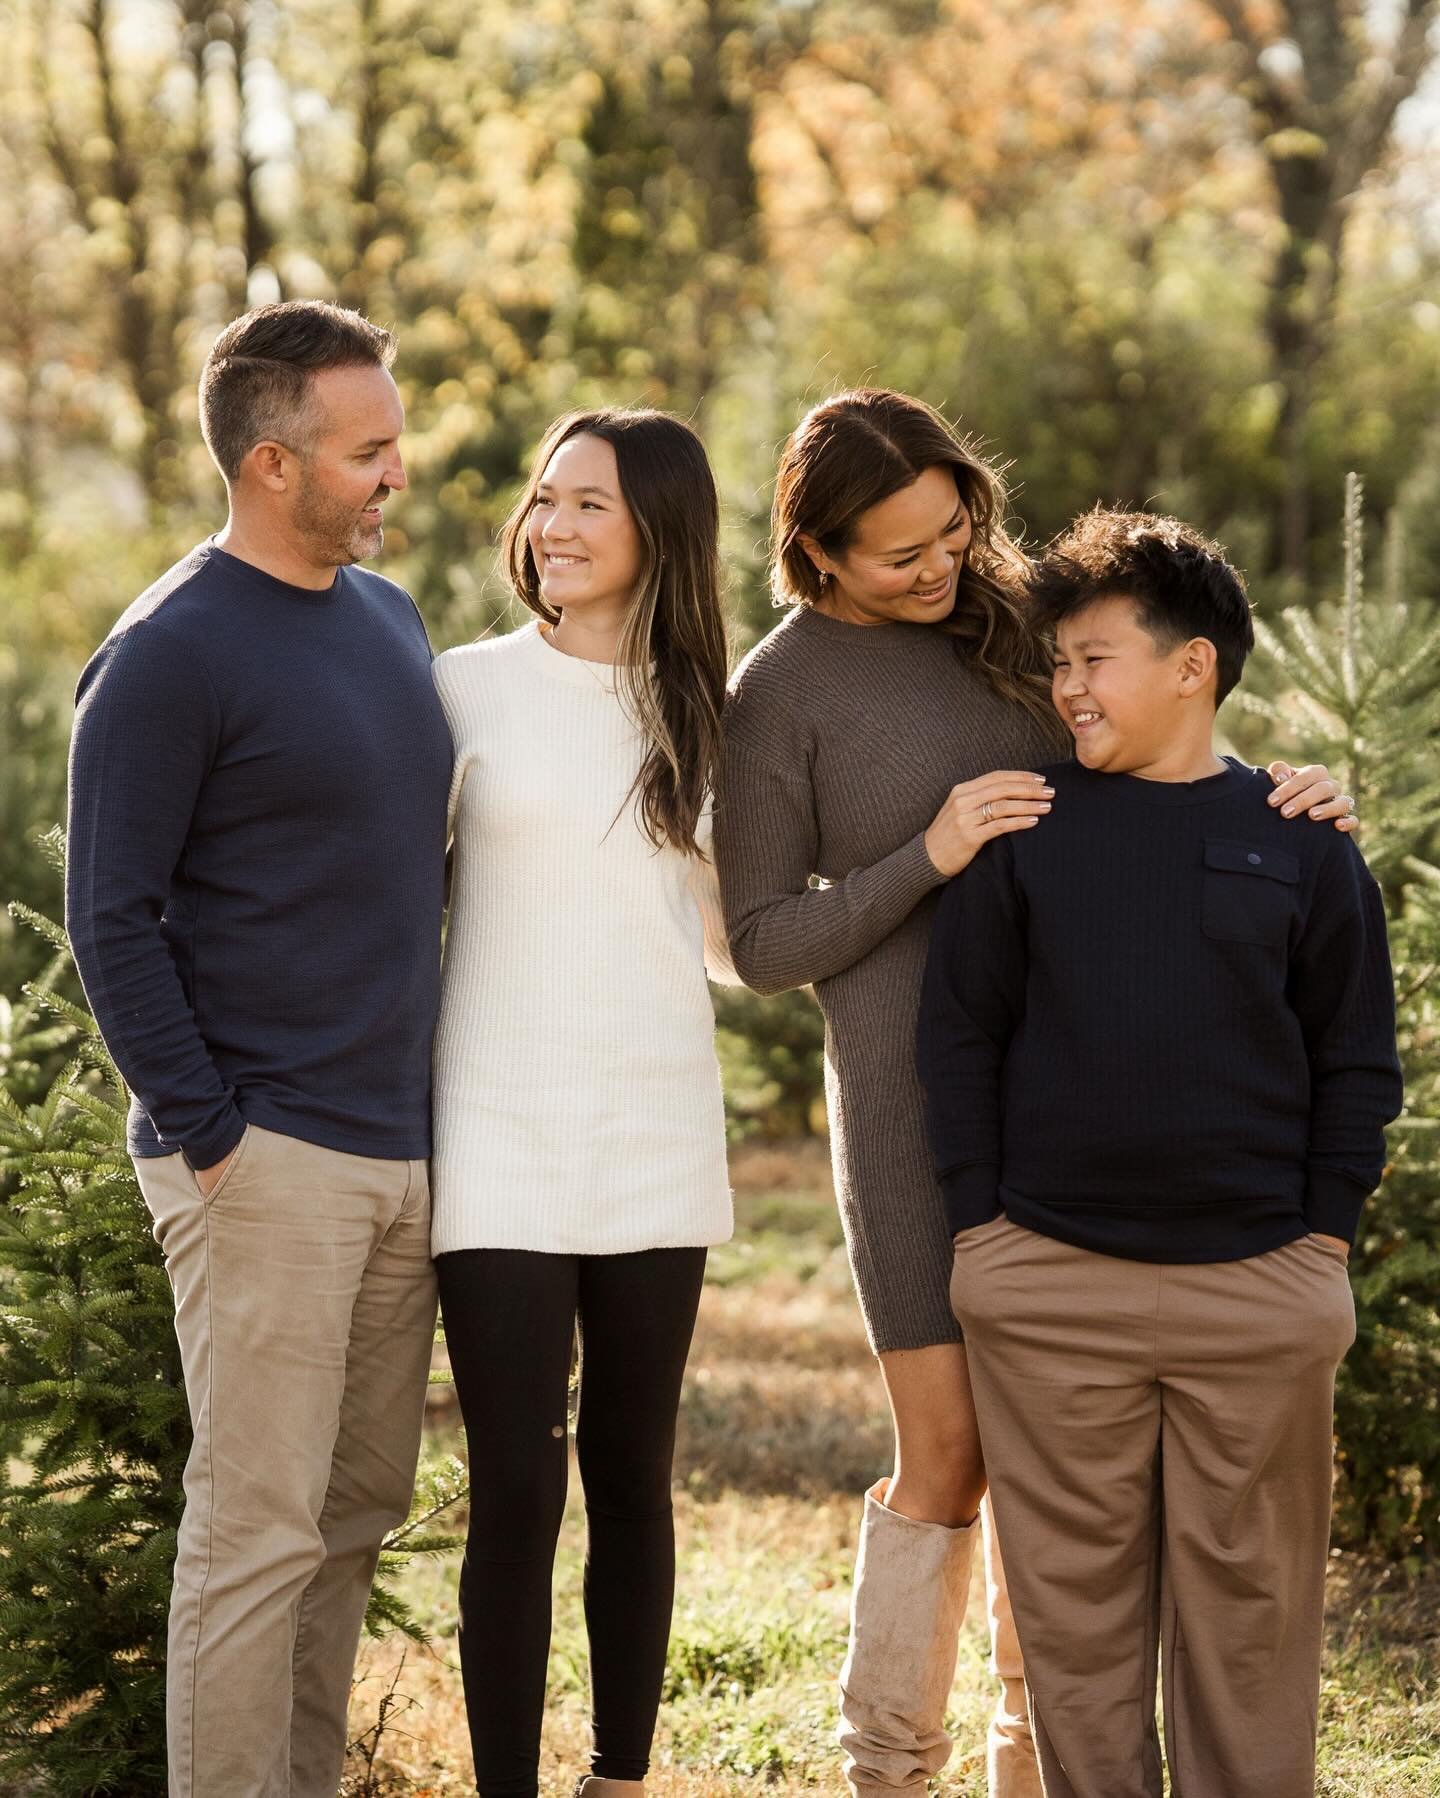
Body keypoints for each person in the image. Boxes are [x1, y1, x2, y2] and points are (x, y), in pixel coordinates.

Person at [713, 389, 1360, 1798]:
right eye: (902, 554)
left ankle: (1035, 1768)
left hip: (1084, 1085)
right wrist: (928, 854)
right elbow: (759, 944)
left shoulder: (1010, 625)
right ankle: (890, 1767)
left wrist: (1288, 792)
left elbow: (1154, 724)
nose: (942, 568)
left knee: (1059, 1479)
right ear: (816, 554)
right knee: (952, 1453)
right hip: (913, 1099)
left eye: (956, 532)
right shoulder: (780, 695)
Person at [919, 508, 1402, 1798]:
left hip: (1259, 1289)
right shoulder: (1027, 830)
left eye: (1095, 659)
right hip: (1049, 1282)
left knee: (1253, 1629)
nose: (1068, 687)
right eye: (1058, 663)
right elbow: (959, 1038)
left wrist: (1320, 1246)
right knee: (1073, 1637)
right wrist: (985, 1235)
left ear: (1193, 667)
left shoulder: (1301, 839)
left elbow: (1357, 1058)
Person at [64, 300, 451, 1797]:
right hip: (266, 1158)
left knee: (349, 1520)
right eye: (369, 452)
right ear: (273, 463)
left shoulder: (391, 619)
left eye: (395, 442)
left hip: (399, 1153)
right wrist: (210, 1134)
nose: (396, 473)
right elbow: (110, 913)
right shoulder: (169, 650)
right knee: (255, 1535)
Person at [430, 408, 735, 1798]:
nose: (551, 525)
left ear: (659, 530)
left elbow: (737, 942)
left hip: (656, 1130)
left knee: (630, 1470)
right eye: (545, 498)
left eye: (589, 504)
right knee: (515, 1480)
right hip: (496, 1128)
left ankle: (621, 1776)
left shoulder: (712, 716)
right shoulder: (461, 690)